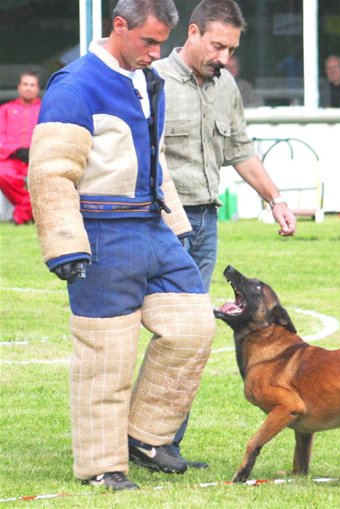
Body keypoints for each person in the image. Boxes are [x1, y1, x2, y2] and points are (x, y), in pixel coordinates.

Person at [28, 0, 216, 492]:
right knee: (106, 358)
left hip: (152, 229)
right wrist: (65, 244)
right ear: (118, 26)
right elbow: (50, 172)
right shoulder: (74, 85)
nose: (156, 53)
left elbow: (153, 160)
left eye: (161, 43)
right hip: (102, 233)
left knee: (194, 329)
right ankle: (101, 467)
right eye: (148, 41)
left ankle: (146, 438)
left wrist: (175, 224)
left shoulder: (147, 81)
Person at [153, 0, 296, 460]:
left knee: (192, 334)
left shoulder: (225, 85)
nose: (224, 57)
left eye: (230, 49)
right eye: (217, 46)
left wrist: (275, 199)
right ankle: (143, 440)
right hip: (158, 224)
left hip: (205, 223)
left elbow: (241, 149)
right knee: (169, 331)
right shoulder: (152, 80)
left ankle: (162, 444)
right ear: (192, 33)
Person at [0, 71, 41, 225]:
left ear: (37, 89)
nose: (28, 88)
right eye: (25, 84)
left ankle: (20, 215)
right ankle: (27, 211)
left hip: (37, 159)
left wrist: (35, 151)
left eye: (32, 85)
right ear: (19, 87)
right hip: (12, 159)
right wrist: (17, 150)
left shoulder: (45, 109)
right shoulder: (5, 109)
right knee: (1, 172)